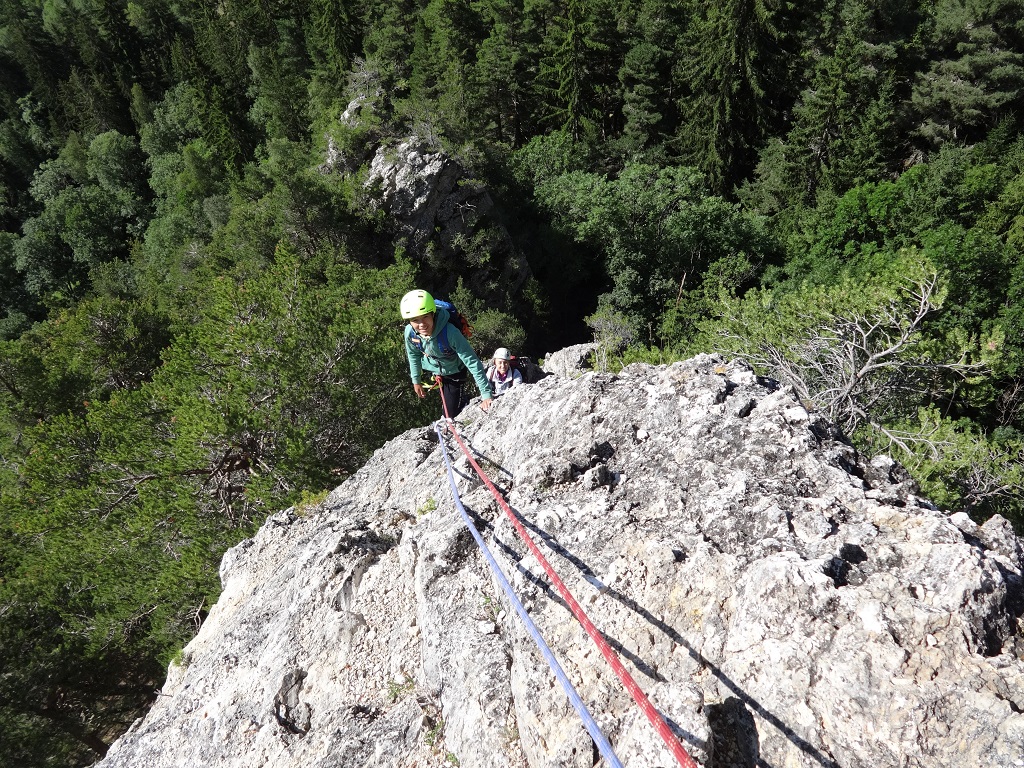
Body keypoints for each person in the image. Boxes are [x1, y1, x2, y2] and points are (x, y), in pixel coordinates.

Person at [401, 289, 492, 417]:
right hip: (437, 371)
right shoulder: (410, 333)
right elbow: (413, 355)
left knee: (449, 415)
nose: (421, 324)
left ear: (433, 314)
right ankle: (459, 400)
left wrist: (486, 394)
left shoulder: (450, 332)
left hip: (455, 371)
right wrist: (416, 381)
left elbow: (471, 360)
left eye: (425, 317)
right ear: (409, 321)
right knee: (448, 408)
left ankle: (463, 401)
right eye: (415, 320)